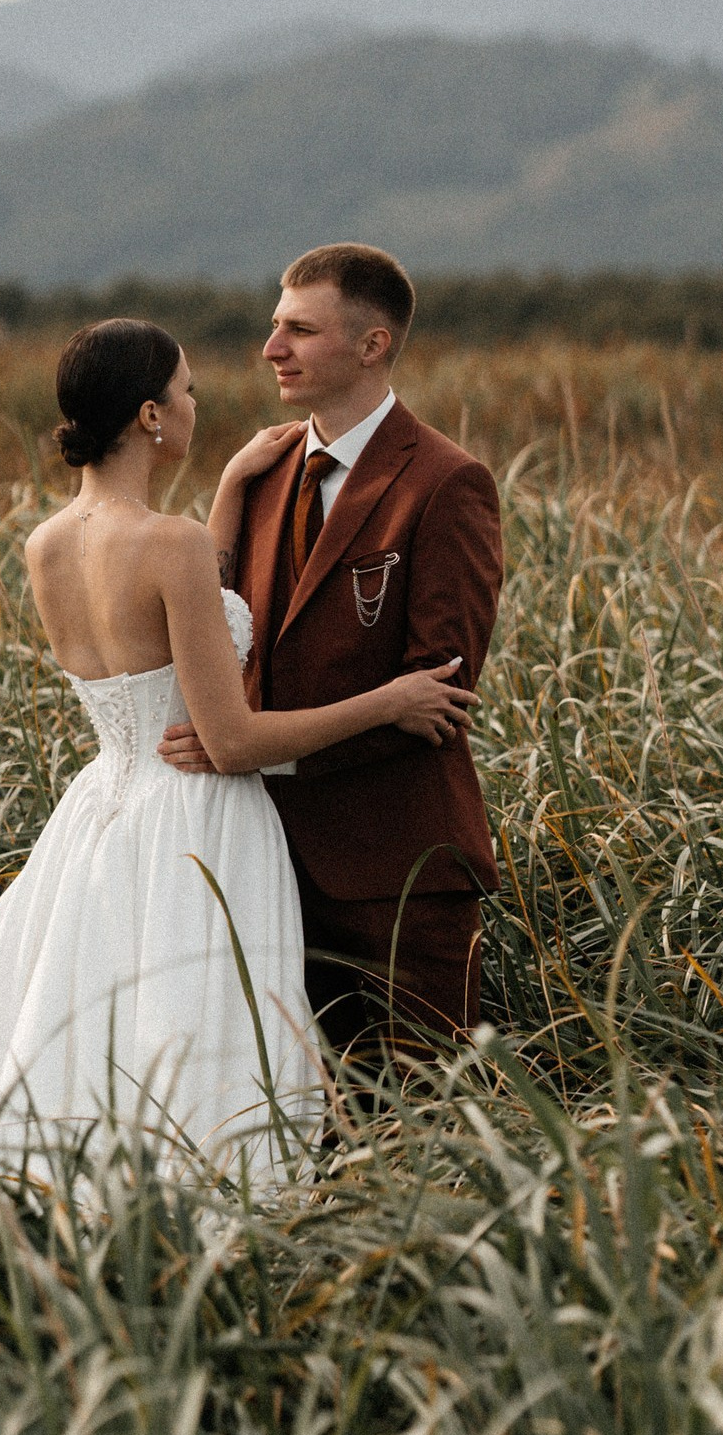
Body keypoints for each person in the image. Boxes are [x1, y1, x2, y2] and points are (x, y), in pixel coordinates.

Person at [0, 318, 477, 1256]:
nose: (201, 409)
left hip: (102, 813)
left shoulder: (49, 544)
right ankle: (188, 1234)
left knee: (75, 1021)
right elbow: (230, 739)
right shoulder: (171, 546)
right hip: (197, 821)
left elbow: (167, 633)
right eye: (189, 393)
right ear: (153, 415)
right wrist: (389, 700)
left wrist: (233, 488)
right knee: (184, 1035)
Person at [159, 244, 504, 1065]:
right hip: (262, 866)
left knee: (422, 1116)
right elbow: (223, 636)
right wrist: (229, 492)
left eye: (300, 331)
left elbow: (437, 700)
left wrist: (250, 753)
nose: (271, 348)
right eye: (275, 327)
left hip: (400, 873)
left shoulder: (447, 483)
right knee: (300, 1121)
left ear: (372, 345)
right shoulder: (265, 475)